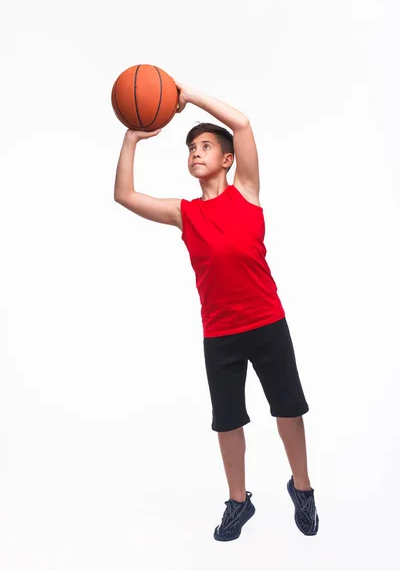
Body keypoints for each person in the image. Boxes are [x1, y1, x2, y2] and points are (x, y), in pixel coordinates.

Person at [113, 81, 319, 542]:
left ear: (227, 160)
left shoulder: (246, 191)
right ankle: (238, 501)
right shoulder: (185, 214)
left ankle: (302, 489)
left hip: (267, 323)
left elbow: (241, 123)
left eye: (205, 146)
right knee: (227, 420)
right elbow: (124, 195)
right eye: (190, 148)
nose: (195, 152)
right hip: (220, 333)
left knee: (288, 410)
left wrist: (187, 96)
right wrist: (131, 138)